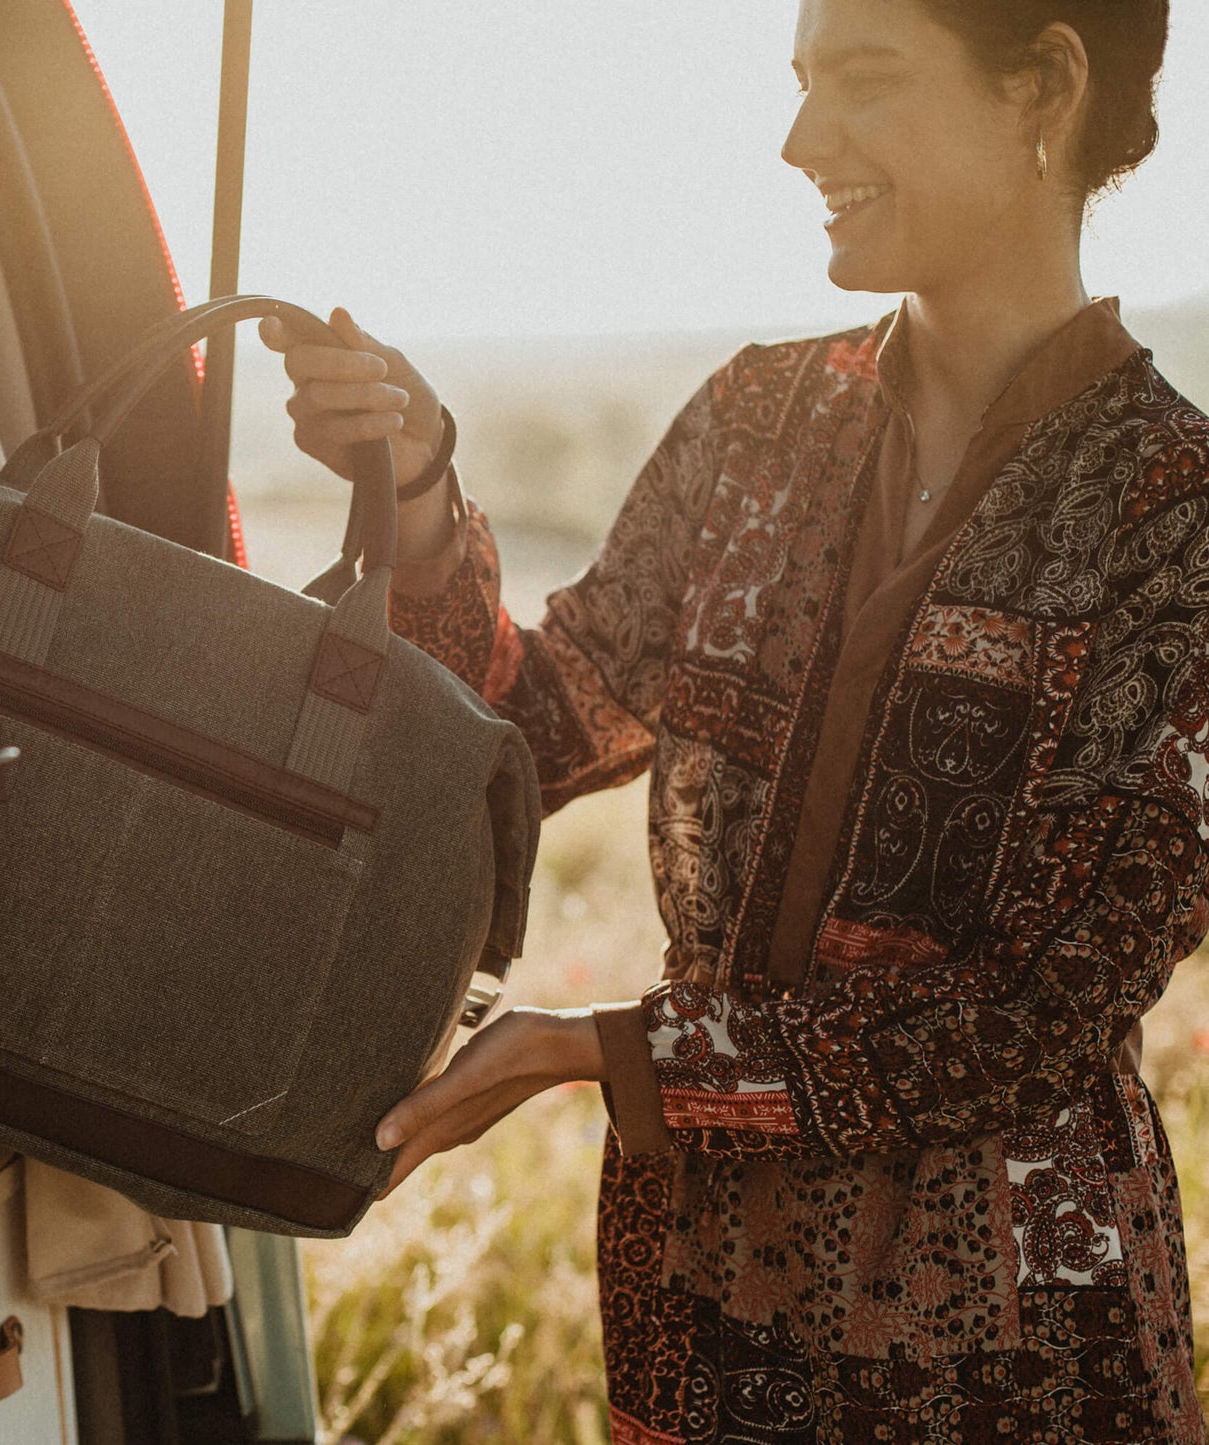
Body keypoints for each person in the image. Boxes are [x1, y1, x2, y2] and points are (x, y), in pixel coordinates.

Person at [262, 0, 1209, 1437]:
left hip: (1018, 1338)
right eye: (797, 84)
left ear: (1045, 85)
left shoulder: (1173, 518)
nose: (796, 140)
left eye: (861, 82)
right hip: (700, 1300)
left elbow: (1028, 1020)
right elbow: (524, 728)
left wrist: (605, 1048)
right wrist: (412, 488)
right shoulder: (752, 419)